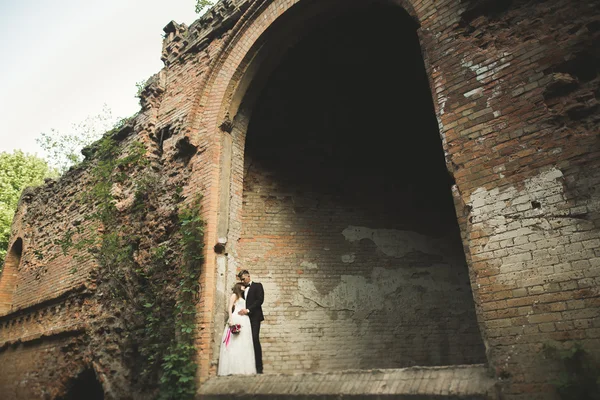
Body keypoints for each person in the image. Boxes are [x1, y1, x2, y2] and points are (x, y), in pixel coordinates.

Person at [217, 282, 256, 375]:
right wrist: (230, 320)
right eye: (243, 286)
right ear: (238, 286)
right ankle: (232, 368)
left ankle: (243, 368)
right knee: (235, 342)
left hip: (245, 320)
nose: (244, 287)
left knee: (244, 342)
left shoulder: (243, 297)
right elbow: (230, 308)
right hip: (236, 318)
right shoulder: (234, 295)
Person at [237, 270, 264, 374]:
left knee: (254, 339)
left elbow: (260, 300)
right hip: (244, 319)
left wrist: (248, 310)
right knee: (245, 341)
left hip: (255, 318)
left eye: (244, 279)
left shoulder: (258, 286)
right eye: (241, 280)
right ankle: (247, 367)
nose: (243, 281)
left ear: (248, 276)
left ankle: (259, 368)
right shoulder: (242, 288)